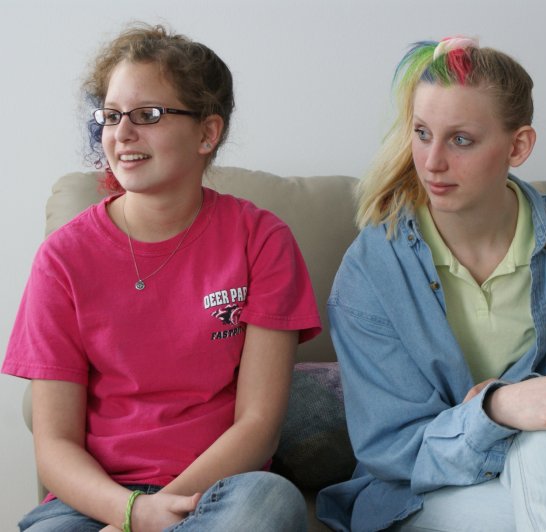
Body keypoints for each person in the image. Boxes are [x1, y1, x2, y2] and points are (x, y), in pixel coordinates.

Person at [316, 36, 546, 532]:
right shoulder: (372, 269)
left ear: (518, 146)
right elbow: (390, 449)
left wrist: (545, 403)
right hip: (426, 494)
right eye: (422, 133)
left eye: (460, 140)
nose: (432, 162)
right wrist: (499, 408)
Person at [2, 23, 321, 532]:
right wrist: (130, 512)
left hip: (221, 494)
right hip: (95, 503)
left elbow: (258, 424)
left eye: (147, 115)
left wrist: (155, 515)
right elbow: (54, 444)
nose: (121, 134)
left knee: (272, 502)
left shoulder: (262, 240)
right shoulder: (62, 258)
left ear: (207, 133)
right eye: (111, 116)